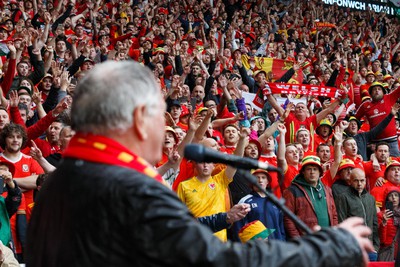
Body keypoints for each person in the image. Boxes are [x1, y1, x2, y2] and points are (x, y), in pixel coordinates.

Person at [26, 61, 372, 267]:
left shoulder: (59, 183)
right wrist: (330, 245)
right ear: (137, 119)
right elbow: (220, 261)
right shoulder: (132, 189)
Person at [283, 155, 338, 238]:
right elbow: (288, 218)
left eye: (315, 169)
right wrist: (298, 239)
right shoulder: (292, 191)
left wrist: (334, 233)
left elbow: (334, 214)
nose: (312, 172)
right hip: (306, 241)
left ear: (320, 172)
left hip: (327, 238)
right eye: (309, 169)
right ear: (303, 172)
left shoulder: (327, 189)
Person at [334, 168, 380, 261]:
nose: (359, 184)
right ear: (350, 181)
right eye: (356, 181)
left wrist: (375, 246)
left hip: (370, 248)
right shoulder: (343, 198)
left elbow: (374, 224)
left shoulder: (370, 199)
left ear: (365, 181)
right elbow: (341, 224)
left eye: (362, 180)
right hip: (353, 249)